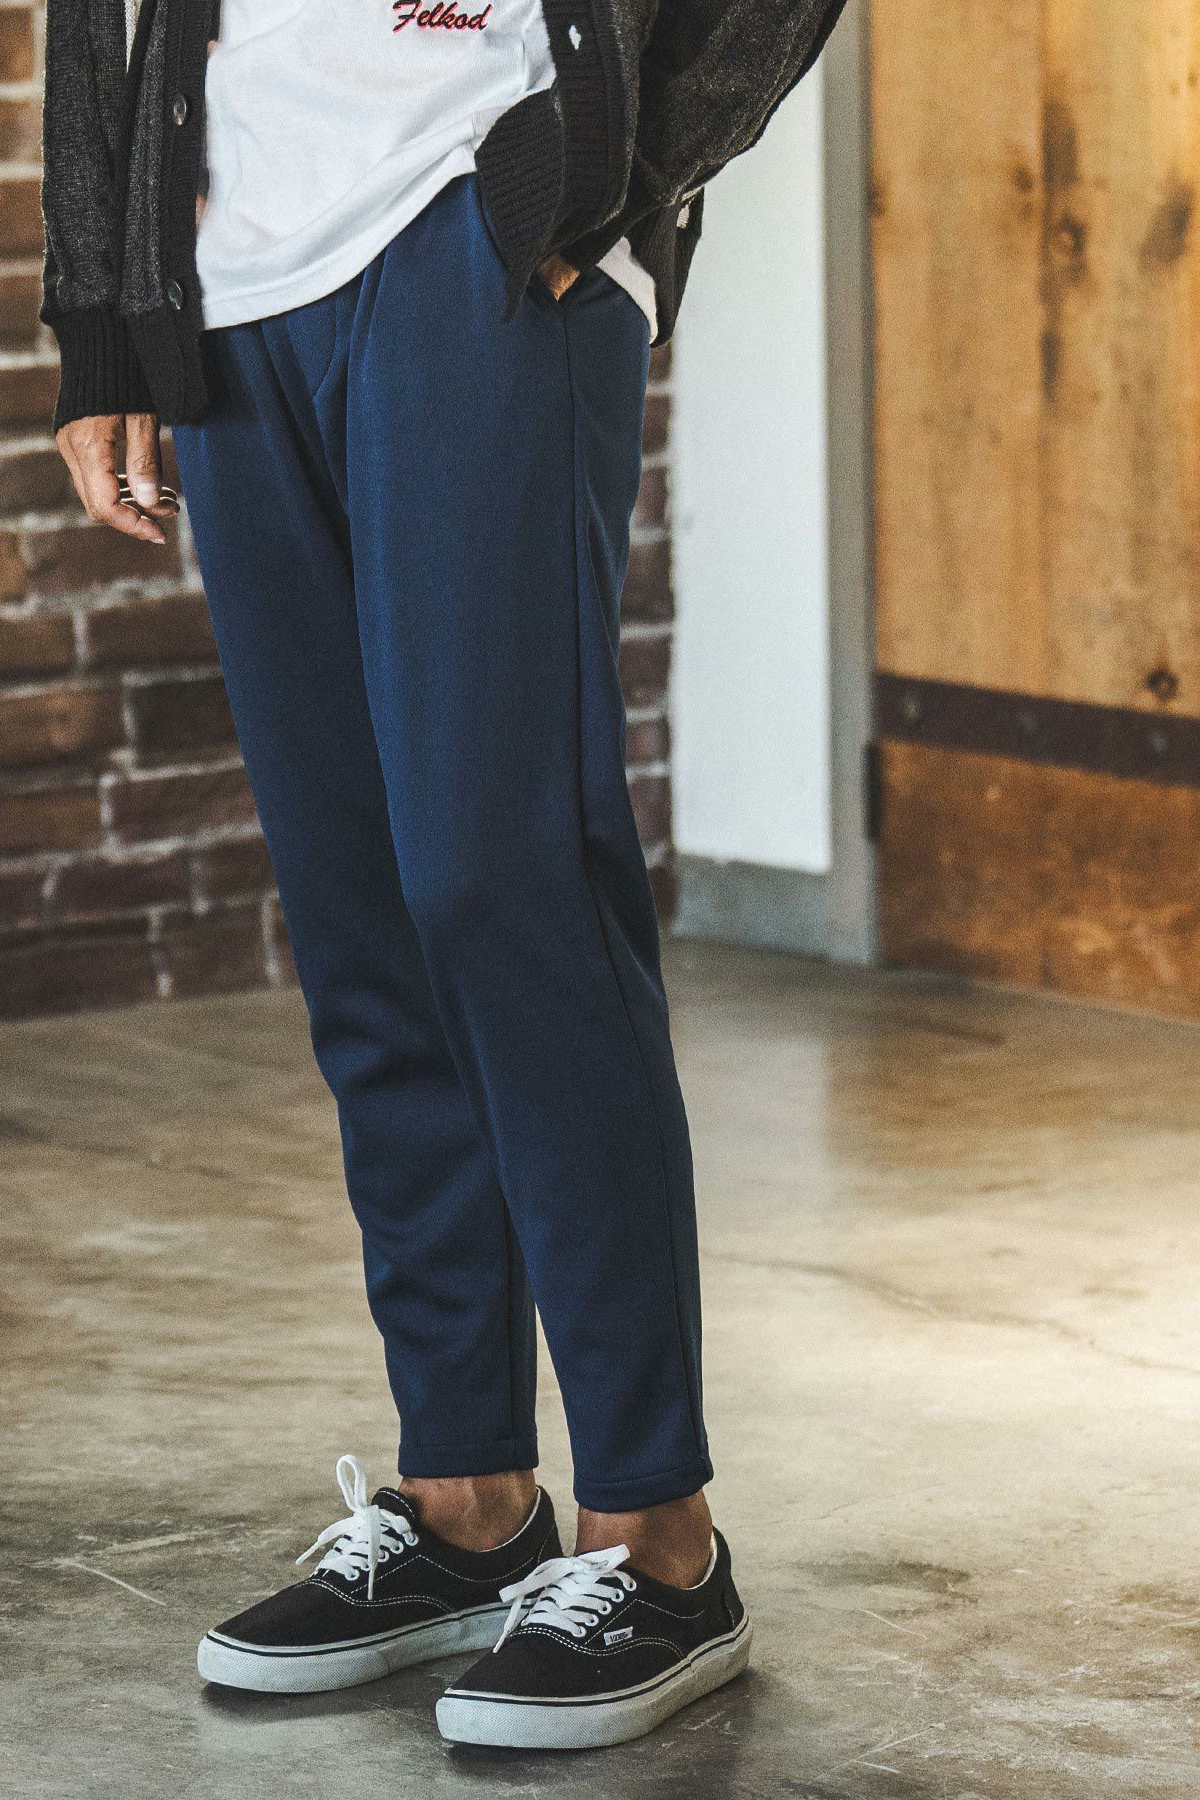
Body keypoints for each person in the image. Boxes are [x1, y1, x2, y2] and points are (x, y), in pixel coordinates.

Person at [43, 0, 842, 1752]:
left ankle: (659, 1538)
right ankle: (469, 1500)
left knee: (503, 882)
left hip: (477, 231)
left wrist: (608, 178)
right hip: (231, 268)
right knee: (363, 918)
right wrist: (103, 309)